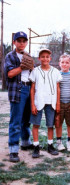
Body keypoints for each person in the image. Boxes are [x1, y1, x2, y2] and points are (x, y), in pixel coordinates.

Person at [4, 31, 34, 162]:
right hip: (18, 89)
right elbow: (10, 74)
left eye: (24, 41)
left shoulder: (28, 55)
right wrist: (22, 66)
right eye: (19, 41)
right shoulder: (10, 56)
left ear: (26, 42)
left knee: (26, 119)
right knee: (15, 120)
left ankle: (25, 142)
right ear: (14, 42)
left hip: (29, 87)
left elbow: (32, 72)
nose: (21, 43)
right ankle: (13, 149)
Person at [29, 48, 62, 158]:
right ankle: (36, 146)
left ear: (50, 58)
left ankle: (50, 145)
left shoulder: (55, 71)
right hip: (39, 101)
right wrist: (33, 104)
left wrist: (58, 103)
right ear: (39, 58)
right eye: (42, 56)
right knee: (36, 124)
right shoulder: (35, 71)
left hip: (51, 101)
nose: (45, 58)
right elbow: (32, 89)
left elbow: (58, 88)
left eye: (47, 56)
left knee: (50, 125)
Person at [55, 54, 70, 152]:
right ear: (59, 63)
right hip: (59, 103)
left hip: (69, 103)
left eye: (67, 62)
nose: (64, 64)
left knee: (69, 123)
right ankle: (59, 142)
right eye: (62, 62)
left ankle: (69, 142)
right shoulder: (56, 74)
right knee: (58, 123)